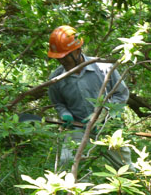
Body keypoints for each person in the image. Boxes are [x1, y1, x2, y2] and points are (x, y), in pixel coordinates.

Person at [47, 25, 133, 170]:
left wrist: (103, 113)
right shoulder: (56, 78)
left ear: (78, 51)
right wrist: (65, 113)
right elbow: (58, 103)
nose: (62, 62)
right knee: (66, 163)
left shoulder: (103, 68)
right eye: (59, 59)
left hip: (107, 126)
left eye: (65, 57)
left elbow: (121, 94)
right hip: (78, 127)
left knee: (126, 168)